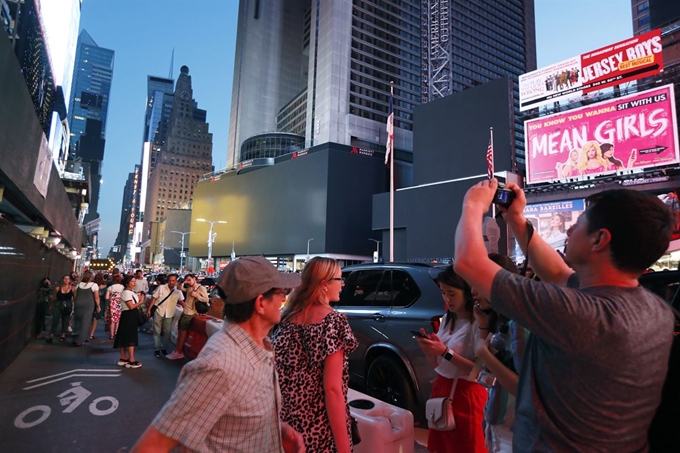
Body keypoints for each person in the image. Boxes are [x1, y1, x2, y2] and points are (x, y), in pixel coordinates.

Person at [454, 178, 675, 452]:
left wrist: (472, 204)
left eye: (579, 223)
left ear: (599, 240)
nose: (569, 229)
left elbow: (468, 262)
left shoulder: (575, 312)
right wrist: (516, 219)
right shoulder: (656, 311)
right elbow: (558, 273)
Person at [131, 256, 306, 453]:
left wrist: (273, 427)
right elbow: (152, 446)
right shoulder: (220, 366)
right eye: (281, 292)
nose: (284, 299)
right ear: (260, 303)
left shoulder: (260, 350)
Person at [272, 257, 358, 453]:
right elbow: (333, 390)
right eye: (339, 279)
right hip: (318, 430)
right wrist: (344, 449)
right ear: (324, 284)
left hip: (286, 427)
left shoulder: (287, 318)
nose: (342, 284)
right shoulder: (332, 322)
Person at [415, 265, 487, 453]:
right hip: (442, 388)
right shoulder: (448, 317)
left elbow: (478, 371)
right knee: (442, 446)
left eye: (452, 293)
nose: (447, 299)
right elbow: (438, 365)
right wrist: (430, 350)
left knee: (468, 445)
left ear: (467, 291)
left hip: (467, 394)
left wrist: (445, 351)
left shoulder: (478, 322)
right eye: (443, 292)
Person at [471, 254, 529, 453]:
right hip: (496, 426)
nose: (473, 291)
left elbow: (524, 389)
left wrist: (485, 354)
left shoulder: (520, 326)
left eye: (477, 283)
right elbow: (480, 371)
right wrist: (483, 327)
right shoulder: (500, 322)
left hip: (515, 432)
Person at [167, 274, 209, 360]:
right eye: (187, 280)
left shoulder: (201, 288)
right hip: (185, 311)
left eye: (190, 280)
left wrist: (196, 295)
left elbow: (206, 299)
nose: (188, 282)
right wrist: (182, 282)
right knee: (180, 331)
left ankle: (179, 352)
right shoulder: (189, 287)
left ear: (194, 279)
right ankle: (177, 350)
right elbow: (180, 288)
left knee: (183, 332)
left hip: (190, 313)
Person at [147, 273, 184, 358]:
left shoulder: (178, 292)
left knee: (167, 332)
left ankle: (164, 348)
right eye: (170, 280)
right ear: (168, 280)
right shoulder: (161, 288)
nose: (171, 282)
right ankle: (157, 349)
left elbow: (182, 303)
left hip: (169, 314)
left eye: (173, 281)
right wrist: (149, 309)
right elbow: (154, 298)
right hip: (159, 311)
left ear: (176, 281)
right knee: (157, 331)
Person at [114, 275, 143, 369]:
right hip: (129, 315)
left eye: (135, 281)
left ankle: (124, 358)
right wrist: (141, 301)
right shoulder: (126, 292)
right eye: (132, 281)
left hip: (129, 315)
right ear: (127, 283)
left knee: (124, 336)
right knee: (130, 337)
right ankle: (131, 359)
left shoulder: (131, 292)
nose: (134, 283)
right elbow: (131, 306)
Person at [71, 272, 100, 347]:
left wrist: (75, 304)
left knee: (78, 320)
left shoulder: (78, 285)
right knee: (85, 321)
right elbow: (96, 297)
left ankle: (75, 337)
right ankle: (80, 340)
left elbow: (75, 296)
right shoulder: (94, 285)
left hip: (78, 303)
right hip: (88, 304)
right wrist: (98, 306)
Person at [47, 275, 74, 343]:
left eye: (68, 279)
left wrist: (74, 307)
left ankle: (63, 334)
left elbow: (74, 299)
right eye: (65, 278)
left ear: (70, 280)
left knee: (65, 320)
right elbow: (54, 298)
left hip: (67, 305)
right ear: (62, 280)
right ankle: (51, 334)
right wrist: (51, 305)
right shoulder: (58, 288)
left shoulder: (72, 289)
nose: (66, 280)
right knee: (55, 319)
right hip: (58, 304)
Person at [105, 274, 124, 340]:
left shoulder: (110, 287)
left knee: (112, 320)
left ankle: (111, 335)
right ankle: (116, 332)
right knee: (118, 320)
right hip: (120, 304)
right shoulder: (122, 287)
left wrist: (111, 297)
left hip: (112, 304)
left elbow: (106, 297)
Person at [88, 273, 107, 340]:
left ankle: (87, 332)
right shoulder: (105, 286)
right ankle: (92, 334)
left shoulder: (92, 285)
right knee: (96, 319)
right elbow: (106, 297)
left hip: (92, 302)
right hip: (101, 303)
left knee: (89, 318)